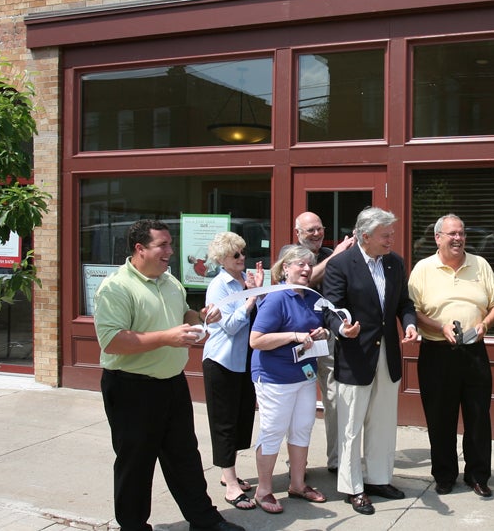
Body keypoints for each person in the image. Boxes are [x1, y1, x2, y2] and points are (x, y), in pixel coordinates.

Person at [93, 219, 243, 531]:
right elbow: (113, 340)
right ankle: (133, 526)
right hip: (130, 389)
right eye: (163, 245)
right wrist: (166, 337)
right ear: (140, 249)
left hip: (172, 384)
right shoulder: (117, 287)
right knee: (136, 463)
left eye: (170, 245)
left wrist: (201, 315)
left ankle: (204, 520)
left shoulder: (169, 281)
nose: (170, 252)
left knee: (184, 456)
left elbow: (183, 314)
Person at [323, 207, 418, 515]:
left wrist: (410, 322)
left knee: (382, 422)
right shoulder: (340, 264)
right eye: (385, 235)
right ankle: (353, 488)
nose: (391, 239)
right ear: (365, 236)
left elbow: (404, 302)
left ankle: (378, 479)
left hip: (387, 354)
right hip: (355, 355)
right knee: (351, 425)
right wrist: (341, 328)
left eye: (391, 233)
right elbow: (328, 308)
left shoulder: (395, 263)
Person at [408, 214, 494, 498]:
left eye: (461, 233)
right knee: (440, 417)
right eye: (452, 234)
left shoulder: (480, 264)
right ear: (438, 237)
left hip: (474, 351)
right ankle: (444, 475)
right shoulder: (423, 268)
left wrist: (485, 324)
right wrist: (439, 326)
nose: (458, 238)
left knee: (477, 416)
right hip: (437, 352)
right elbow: (413, 309)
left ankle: (477, 476)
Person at [248, 245, 330, 515]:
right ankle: (263, 489)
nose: (306, 269)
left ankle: (297, 484)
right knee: (272, 432)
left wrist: (321, 334)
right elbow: (256, 340)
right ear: (285, 268)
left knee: (302, 429)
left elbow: (317, 327)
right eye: (300, 265)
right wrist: (294, 336)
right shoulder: (276, 298)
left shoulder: (309, 296)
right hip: (274, 378)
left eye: (310, 264)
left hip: (303, 375)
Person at [203, 232, 264, 511]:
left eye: (242, 252)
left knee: (241, 420)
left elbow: (257, 319)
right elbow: (229, 325)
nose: (242, 258)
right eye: (235, 254)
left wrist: (257, 292)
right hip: (222, 361)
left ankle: (231, 473)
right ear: (221, 259)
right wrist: (250, 300)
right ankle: (229, 483)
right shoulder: (219, 285)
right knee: (224, 423)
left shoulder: (242, 281)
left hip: (244, 361)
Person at [293, 211, 355, 474]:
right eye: (310, 230)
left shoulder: (331, 253)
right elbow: (306, 279)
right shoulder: (291, 256)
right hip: (296, 341)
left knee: (333, 400)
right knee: (297, 404)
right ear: (298, 234)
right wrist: (338, 255)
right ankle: (296, 464)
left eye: (319, 228)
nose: (317, 234)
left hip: (327, 338)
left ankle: (336, 461)